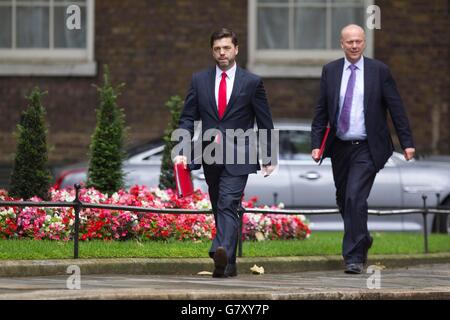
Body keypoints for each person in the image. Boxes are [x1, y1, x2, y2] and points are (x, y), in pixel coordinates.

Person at [311, 24, 415, 274]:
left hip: (368, 147)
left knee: (354, 196)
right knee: (344, 198)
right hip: (340, 147)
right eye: (350, 42)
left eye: (358, 41)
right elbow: (321, 109)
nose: (355, 45)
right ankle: (363, 237)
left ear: (364, 42)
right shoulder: (331, 70)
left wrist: (407, 142)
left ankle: (354, 257)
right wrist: (316, 144)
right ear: (342, 44)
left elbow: (396, 108)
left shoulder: (379, 71)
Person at [174, 28, 276, 278]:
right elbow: (188, 118)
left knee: (228, 202)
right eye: (217, 48)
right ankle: (227, 264)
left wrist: (269, 156)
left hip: (240, 154)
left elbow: (265, 121)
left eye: (226, 48)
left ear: (236, 49)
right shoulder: (199, 80)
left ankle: (218, 250)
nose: (222, 53)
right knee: (219, 204)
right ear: (212, 51)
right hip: (209, 154)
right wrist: (182, 150)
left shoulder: (251, 83)